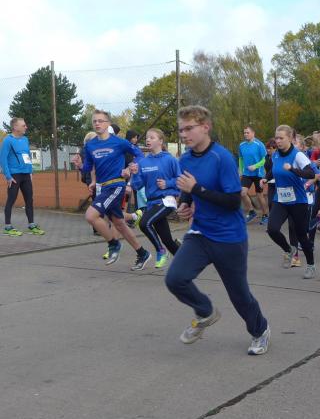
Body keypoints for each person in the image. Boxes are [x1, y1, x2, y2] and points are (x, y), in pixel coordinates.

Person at [164, 105, 270, 355]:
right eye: (181, 130)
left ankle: (260, 330)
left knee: (239, 294)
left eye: (189, 128)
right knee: (175, 279)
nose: (184, 134)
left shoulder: (222, 158)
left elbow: (233, 201)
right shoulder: (185, 159)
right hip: (200, 233)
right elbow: (187, 189)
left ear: (205, 127)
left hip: (229, 237)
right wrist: (185, 203)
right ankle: (205, 312)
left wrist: (196, 190)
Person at [70, 110, 150, 269]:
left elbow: (139, 155)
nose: (97, 123)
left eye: (100, 121)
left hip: (116, 185)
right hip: (103, 187)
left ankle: (114, 245)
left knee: (91, 215)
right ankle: (142, 253)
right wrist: (79, 165)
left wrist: (131, 167)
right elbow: (88, 168)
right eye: (94, 121)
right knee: (120, 224)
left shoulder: (119, 142)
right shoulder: (90, 145)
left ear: (107, 124)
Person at [265, 125, 318, 279]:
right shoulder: (275, 155)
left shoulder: (297, 155)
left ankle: (311, 265)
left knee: (301, 235)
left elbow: (311, 173)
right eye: (276, 138)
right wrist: (265, 178)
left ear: (290, 138)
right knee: (272, 229)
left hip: (298, 201)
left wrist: (293, 170)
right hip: (280, 199)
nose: (278, 141)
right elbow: (274, 170)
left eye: (281, 138)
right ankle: (289, 250)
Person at [128, 128, 182, 269]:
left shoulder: (170, 159)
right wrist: (135, 173)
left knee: (144, 223)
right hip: (152, 203)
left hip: (167, 200)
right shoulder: (143, 162)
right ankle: (185, 263)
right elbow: (137, 185)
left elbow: (181, 180)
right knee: (167, 239)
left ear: (160, 141)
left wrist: (167, 184)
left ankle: (160, 251)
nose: (148, 140)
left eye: (152, 137)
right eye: (147, 137)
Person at [1, 117, 44, 236]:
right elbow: (3, 159)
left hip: (26, 175)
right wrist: (8, 176)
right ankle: (8, 227)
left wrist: (30, 171)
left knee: (29, 200)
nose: (26, 127)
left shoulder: (25, 139)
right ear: (15, 127)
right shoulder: (7, 140)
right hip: (14, 175)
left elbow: (27, 155)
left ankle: (31, 225)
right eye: (23, 125)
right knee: (11, 199)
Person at [239, 126, 269, 225]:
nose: (245, 134)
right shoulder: (241, 145)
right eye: (244, 133)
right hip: (247, 173)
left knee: (259, 195)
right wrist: (241, 170)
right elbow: (240, 158)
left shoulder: (259, 144)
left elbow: (264, 160)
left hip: (258, 173)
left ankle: (265, 215)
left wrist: (255, 166)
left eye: (247, 132)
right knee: (242, 192)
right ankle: (252, 212)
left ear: (253, 133)